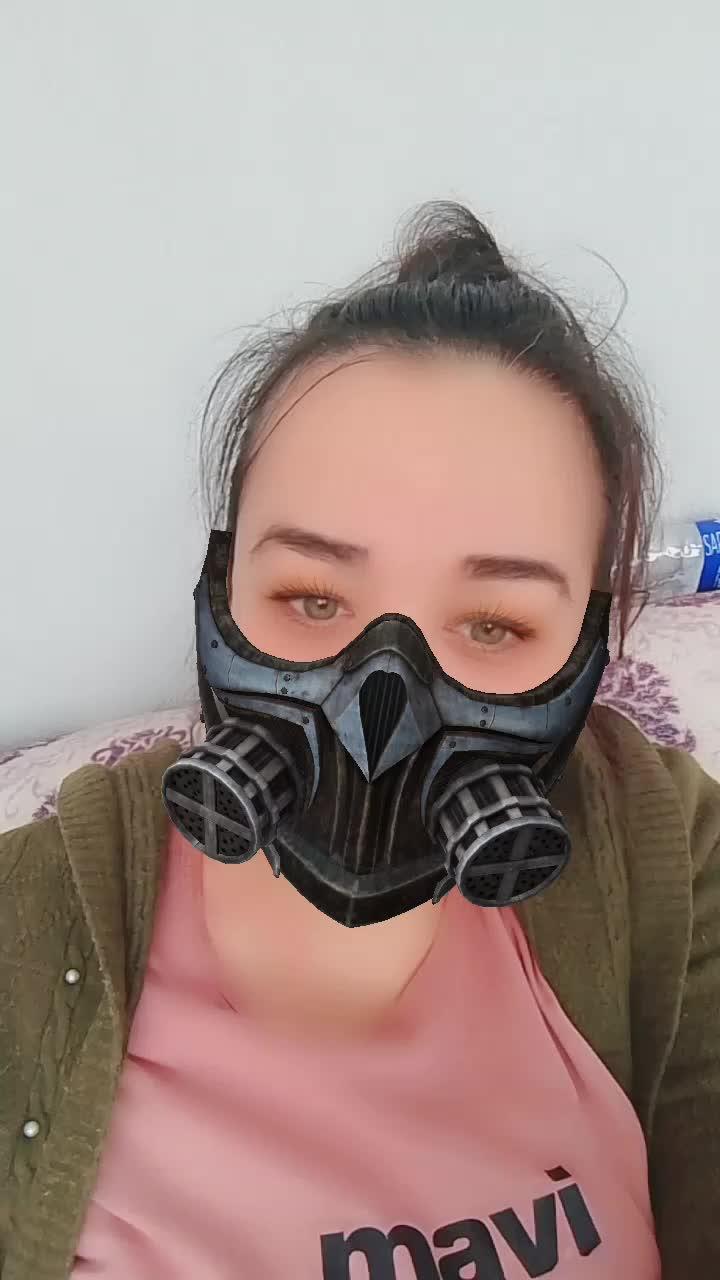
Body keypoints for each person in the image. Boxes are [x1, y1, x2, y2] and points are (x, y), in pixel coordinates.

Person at [2, 202, 718, 1280]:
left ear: (590, 646)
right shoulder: (28, 919)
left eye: (494, 625)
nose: (380, 709)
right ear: (221, 590)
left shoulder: (667, 849)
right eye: (311, 598)